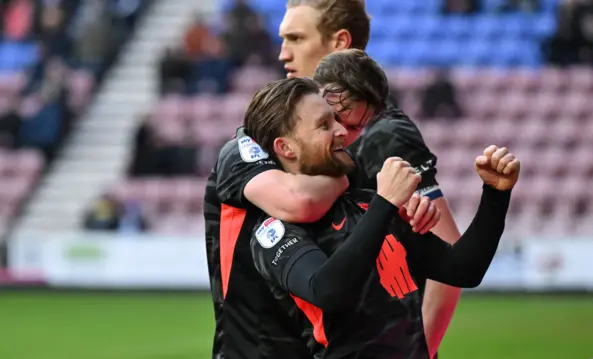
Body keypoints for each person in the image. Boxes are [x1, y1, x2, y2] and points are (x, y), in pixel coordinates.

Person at [246, 77, 519, 358]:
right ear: (286, 148)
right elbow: (326, 291)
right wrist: (385, 202)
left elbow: (463, 270)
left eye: (336, 120)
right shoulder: (273, 230)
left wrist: (495, 195)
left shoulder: (367, 204)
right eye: (324, 125)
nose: (341, 131)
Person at [278, 1, 463, 355]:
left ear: (340, 43)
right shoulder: (315, 134)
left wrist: (415, 353)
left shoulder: (382, 132)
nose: (284, 53)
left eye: (296, 38)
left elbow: (448, 262)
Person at [204, 86, 437, 357]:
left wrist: (408, 208)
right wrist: (372, 192)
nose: (284, 52)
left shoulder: (339, 157)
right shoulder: (242, 148)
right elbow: (299, 201)